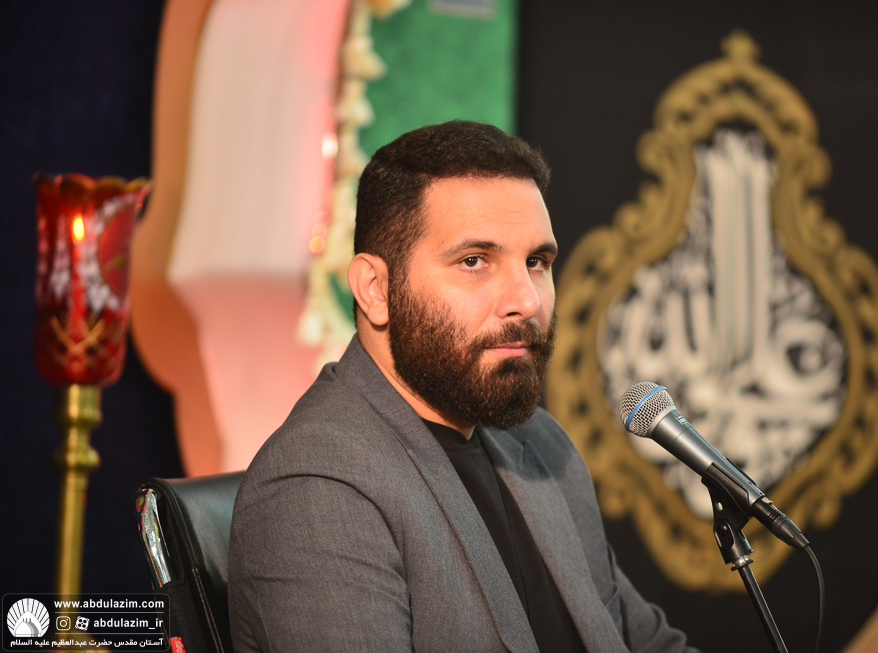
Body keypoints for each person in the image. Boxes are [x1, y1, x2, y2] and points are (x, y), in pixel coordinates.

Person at [228, 121, 697, 652]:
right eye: (474, 261)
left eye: (537, 263)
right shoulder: (318, 484)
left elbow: (645, 643)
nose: (527, 301)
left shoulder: (542, 445)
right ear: (375, 289)